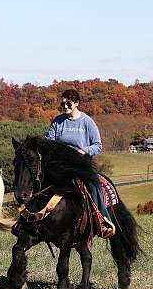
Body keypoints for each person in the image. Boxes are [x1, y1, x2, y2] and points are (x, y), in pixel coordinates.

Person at [46, 89, 115, 232]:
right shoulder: (57, 122)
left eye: (68, 103)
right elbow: (49, 143)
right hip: (60, 164)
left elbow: (97, 145)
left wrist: (84, 151)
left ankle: (102, 219)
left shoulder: (87, 122)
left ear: (77, 103)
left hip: (81, 164)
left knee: (94, 184)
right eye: (62, 103)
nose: (65, 106)